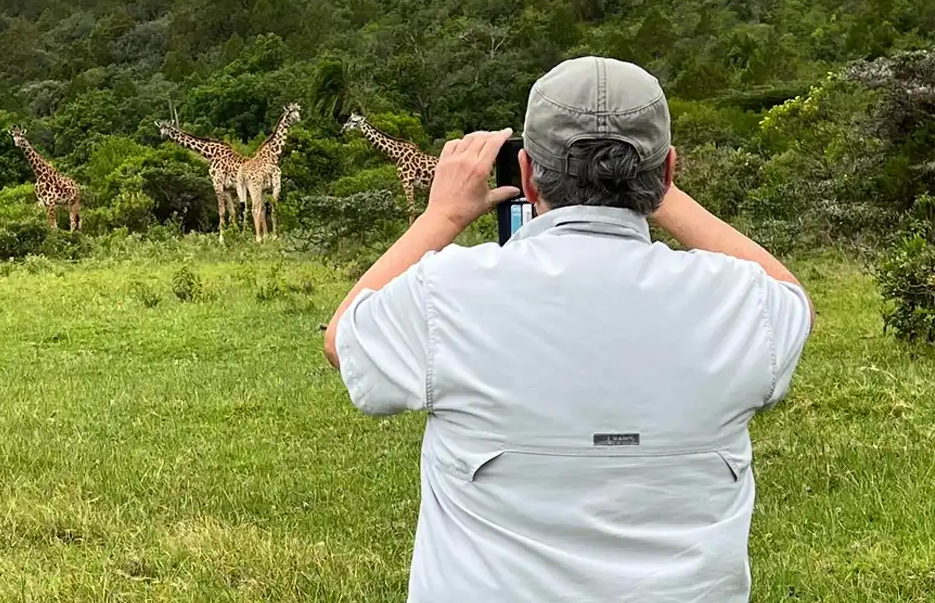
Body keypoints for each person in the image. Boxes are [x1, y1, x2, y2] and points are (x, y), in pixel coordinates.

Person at [323, 56, 814, 602]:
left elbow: (343, 338)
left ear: (528, 175)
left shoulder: (450, 291)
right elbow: (792, 299)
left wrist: (441, 217)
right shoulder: (740, 301)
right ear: (668, 171)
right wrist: (658, 193)